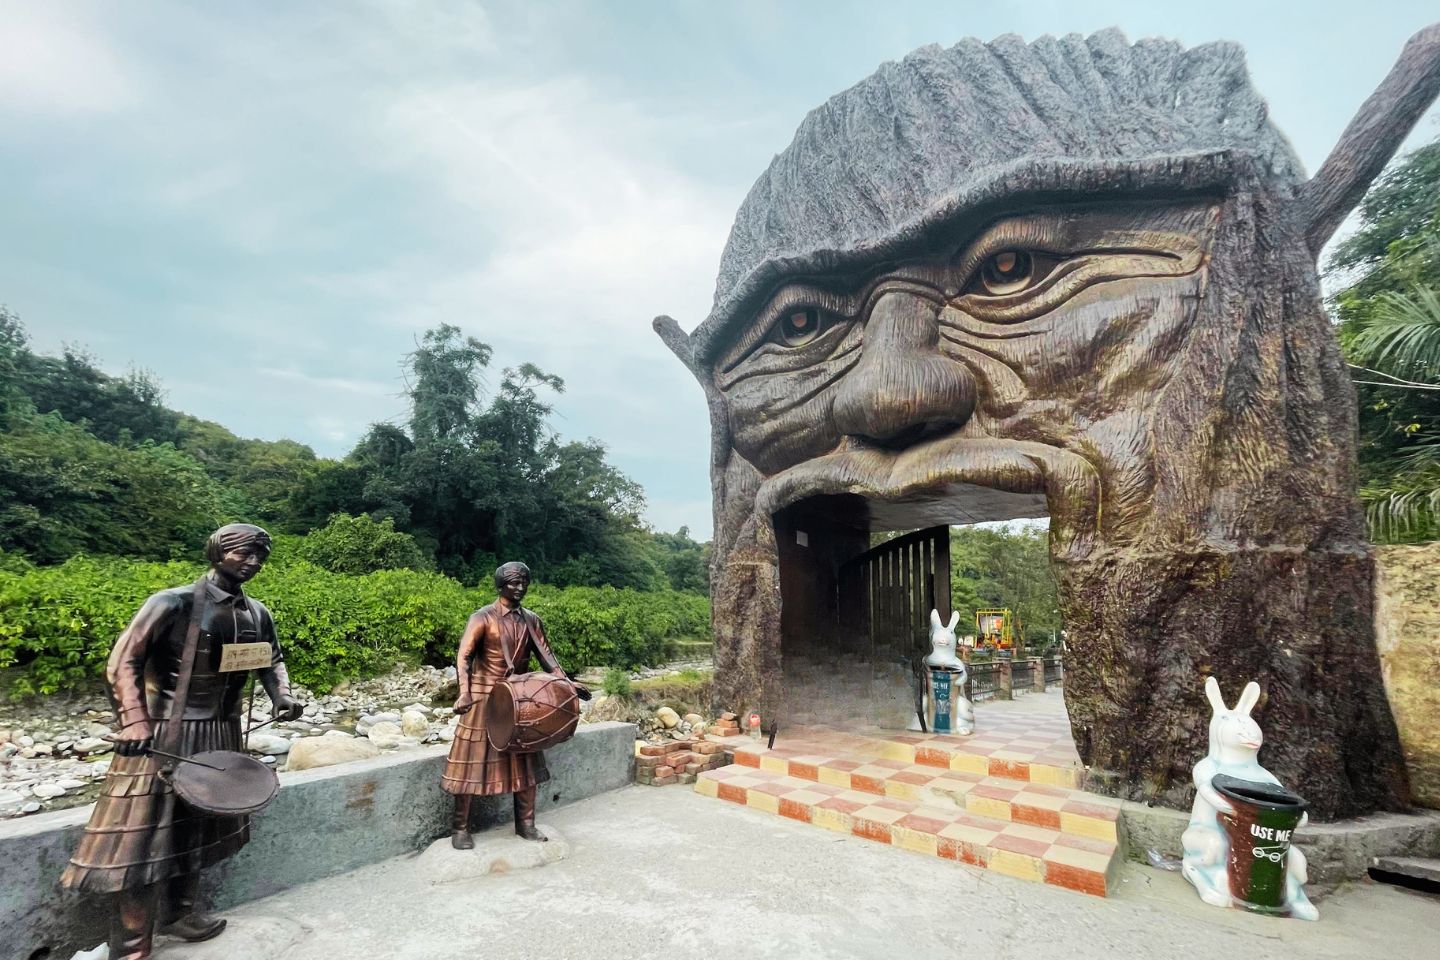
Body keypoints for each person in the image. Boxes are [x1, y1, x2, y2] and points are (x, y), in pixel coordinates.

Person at [60, 523, 303, 960]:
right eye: (244, 554)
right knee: (143, 840)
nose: (253, 563)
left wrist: (281, 694)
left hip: (222, 731)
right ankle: (132, 945)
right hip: (164, 735)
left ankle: (181, 913)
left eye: (259, 556)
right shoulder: (173, 602)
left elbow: (273, 659)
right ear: (217, 552)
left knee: (199, 830)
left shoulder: (257, 613)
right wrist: (133, 720)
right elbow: (123, 660)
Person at [442, 561, 589, 847]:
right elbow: (464, 657)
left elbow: (549, 659)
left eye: (523, 582)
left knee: (525, 764)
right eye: (513, 583)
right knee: (470, 764)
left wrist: (568, 685)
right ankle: (460, 829)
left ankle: (526, 824)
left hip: (520, 699)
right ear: (501, 585)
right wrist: (465, 692)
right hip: (485, 698)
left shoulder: (531, 620)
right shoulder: (482, 617)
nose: (520, 587)